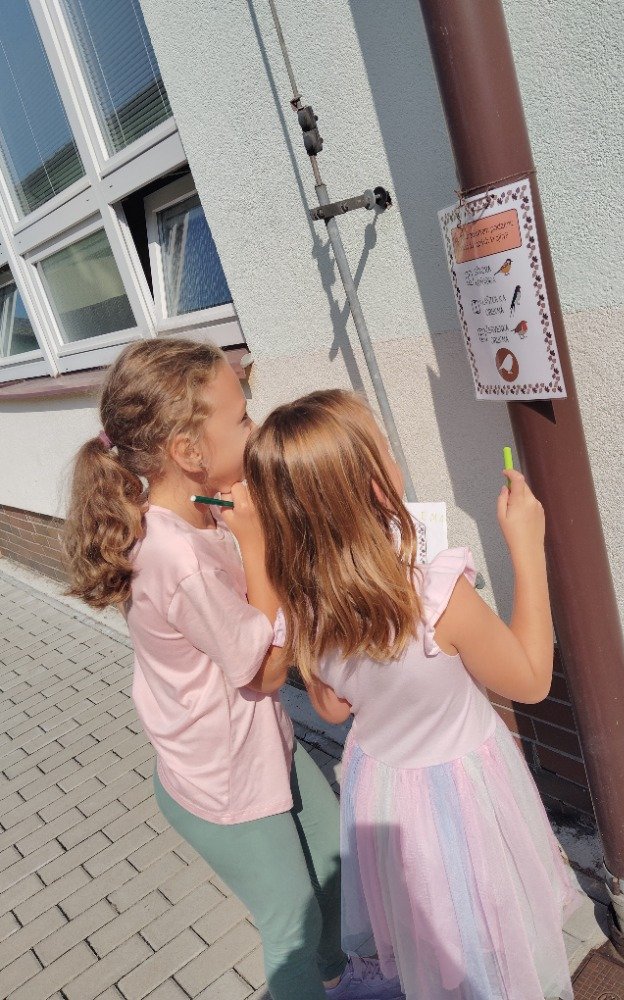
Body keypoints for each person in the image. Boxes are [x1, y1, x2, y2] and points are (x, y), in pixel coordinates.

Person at [63, 340, 404, 1000]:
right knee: (293, 927)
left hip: (259, 746)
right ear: (188, 451)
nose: (254, 426)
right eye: (242, 417)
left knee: (334, 865)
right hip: (222, 782)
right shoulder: (175, 558)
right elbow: (267, 673)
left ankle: (341, 980)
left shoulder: (203, 507)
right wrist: (258, 544)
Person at [243, 389, 582, 1000]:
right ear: (375, 488)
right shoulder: (436, 597)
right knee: (487, 923)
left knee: (432, 930)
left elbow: (332, 707)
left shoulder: (303, 607)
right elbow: (532, 680)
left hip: (388, 794)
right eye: (387, 452)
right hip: (468, 792)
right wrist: (527, 548)